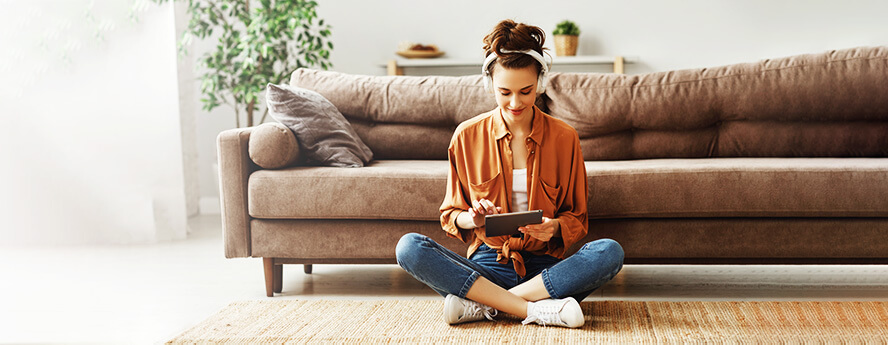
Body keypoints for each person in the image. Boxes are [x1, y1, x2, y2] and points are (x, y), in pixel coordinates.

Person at [395, 19, 624, 328]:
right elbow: (451, 214)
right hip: (489, 263)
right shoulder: (466, 136)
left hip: (547, 271)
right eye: (504, 92)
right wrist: (473, 218)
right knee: (409, 248)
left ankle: (487, 306)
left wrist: (554, 228)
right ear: (490, 84)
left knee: (609, 252)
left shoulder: (564, 137)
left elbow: (577, 217)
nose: (515, 103)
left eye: (526, 91)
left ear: (541, 84)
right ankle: (536, 310)